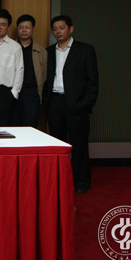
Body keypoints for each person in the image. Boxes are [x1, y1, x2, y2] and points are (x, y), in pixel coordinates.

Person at [43, 15, 99, 194]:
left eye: (62, 27)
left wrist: (84, 104)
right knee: (57, 145)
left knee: (79, 144)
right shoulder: (48, 51)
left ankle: (82, 181)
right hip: (55, 103)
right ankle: (60, 180)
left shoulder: (85, 50)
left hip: (76, 104)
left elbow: (93, 82)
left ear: (71, 29)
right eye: (55, 29)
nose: (58, 31)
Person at [15, 14, 47, 127]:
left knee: (30, 127)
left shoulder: (41, 51)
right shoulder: (10, 48)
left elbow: (45, 75)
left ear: (33, 29)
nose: (24, 30)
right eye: (21, 27)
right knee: (12, 127)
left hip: (32, 93)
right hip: (13, 92)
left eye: (27, 27)